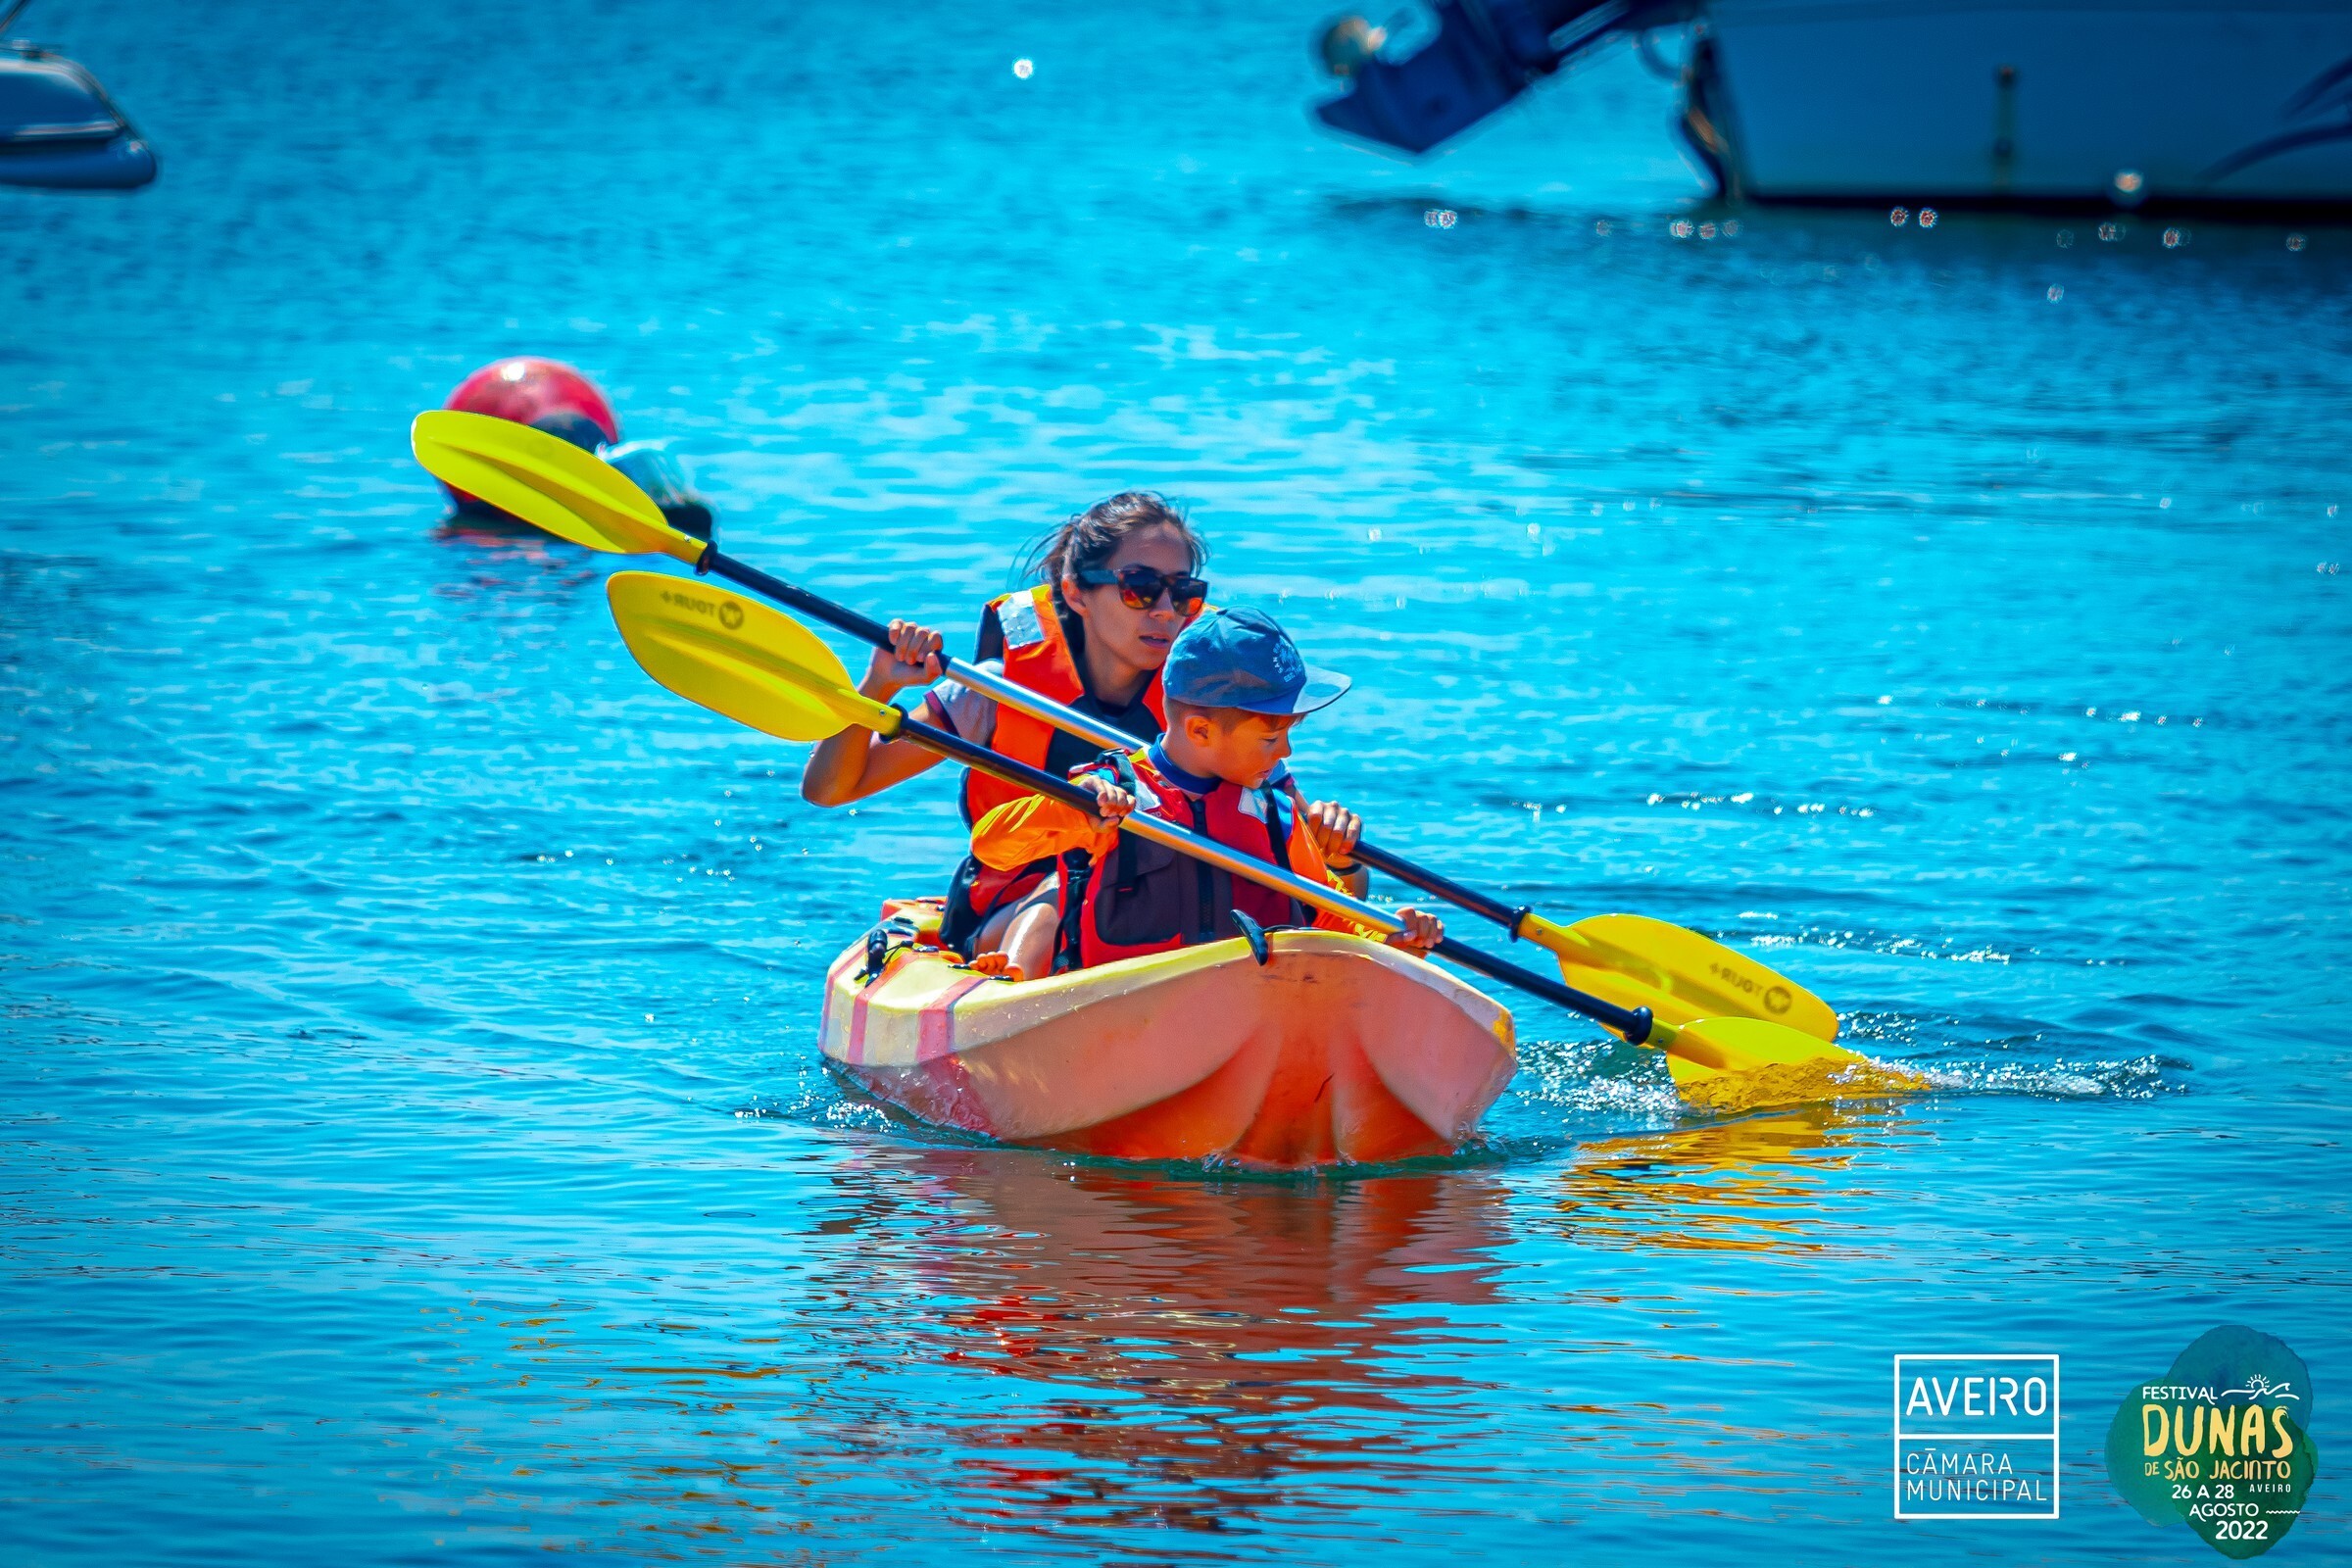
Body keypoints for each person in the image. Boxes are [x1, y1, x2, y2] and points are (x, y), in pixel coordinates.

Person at [800, 492, 1213, 955]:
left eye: (1183, 594)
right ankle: (1015, 990)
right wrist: (878, 685)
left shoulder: (1208, 699)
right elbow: (829, 789)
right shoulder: (996, 692)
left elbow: (1273, 814)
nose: (1164, 611)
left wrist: (1313, 823)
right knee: (1062, 896)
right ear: (1077, 592)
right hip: (1011, 905)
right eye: (1139, 588)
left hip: (1151, 906)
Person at [966, 607, 1445, 979]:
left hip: (1248, 1004)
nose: (1287, 751)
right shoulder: (1111, 794)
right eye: (1271, 737)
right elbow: (992, 847)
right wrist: (1072, 808)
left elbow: (1332, 915)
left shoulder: (1274, 814)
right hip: (1124, 1007)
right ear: (1199, 731)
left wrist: (1390, 939)